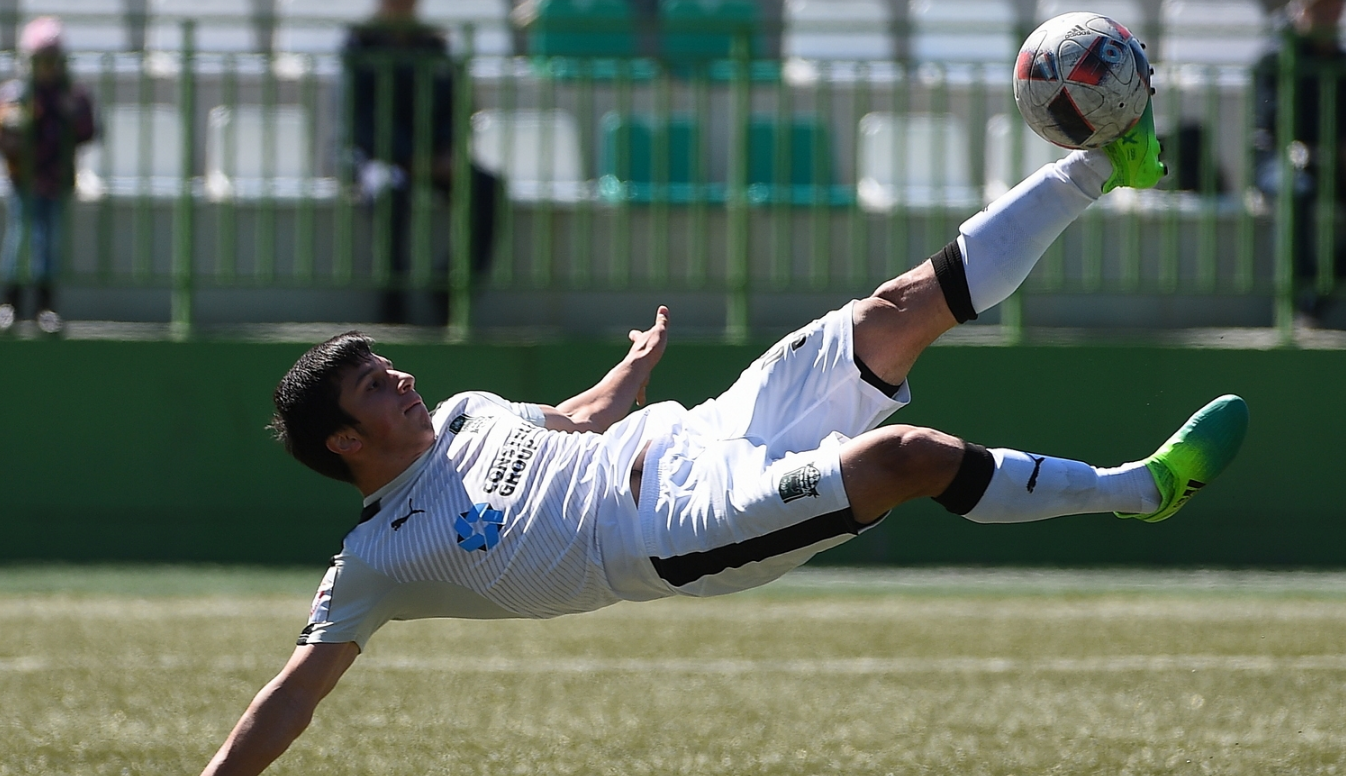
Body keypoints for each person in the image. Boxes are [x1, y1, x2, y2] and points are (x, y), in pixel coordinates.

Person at [199, 99, 1250, 776]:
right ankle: (1138, 486)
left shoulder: (469, 412)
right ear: (343, 441)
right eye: (378, 384)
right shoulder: (372, 559)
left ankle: (1106, 163)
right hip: (674, 528)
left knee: (890, 310)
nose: (404, 378)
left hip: (702, 428)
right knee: (906, 456)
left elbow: (569, 419)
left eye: (391, 365)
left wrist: (633, 367)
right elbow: (287, 696)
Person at [343, 0, 502, 325]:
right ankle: (392, 301)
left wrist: (447, 150)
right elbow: (360, 117)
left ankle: (449, 291)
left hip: (432, 157)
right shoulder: (359, 45)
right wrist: (405, 156)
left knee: (485, 187)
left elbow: (458, 106)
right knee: (389, 191)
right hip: (379, 156)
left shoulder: (434, 45)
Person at [1252, 0, 1346, 326]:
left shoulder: (1339, 61)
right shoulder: (1277, 57)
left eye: (1335, 10)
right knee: (1297, 192)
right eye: (1321, 9)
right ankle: (1297, 306)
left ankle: (1322, 291)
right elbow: (1276, 125)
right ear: (1301, 10)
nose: (1330, 17)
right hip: (1280, 160)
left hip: (1329, 163)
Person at [0, 16, 96, 335]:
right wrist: (13, 125)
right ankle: (9, 304)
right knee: (18, 242)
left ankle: (46, 307)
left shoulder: (72, 95)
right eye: (40, 59)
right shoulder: (15, 95)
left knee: (48, 244)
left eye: (52, 59)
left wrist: (72, 116)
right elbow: (5, 135)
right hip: (22, 181)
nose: (46, 66)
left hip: (55, 180)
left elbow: (89, 130)